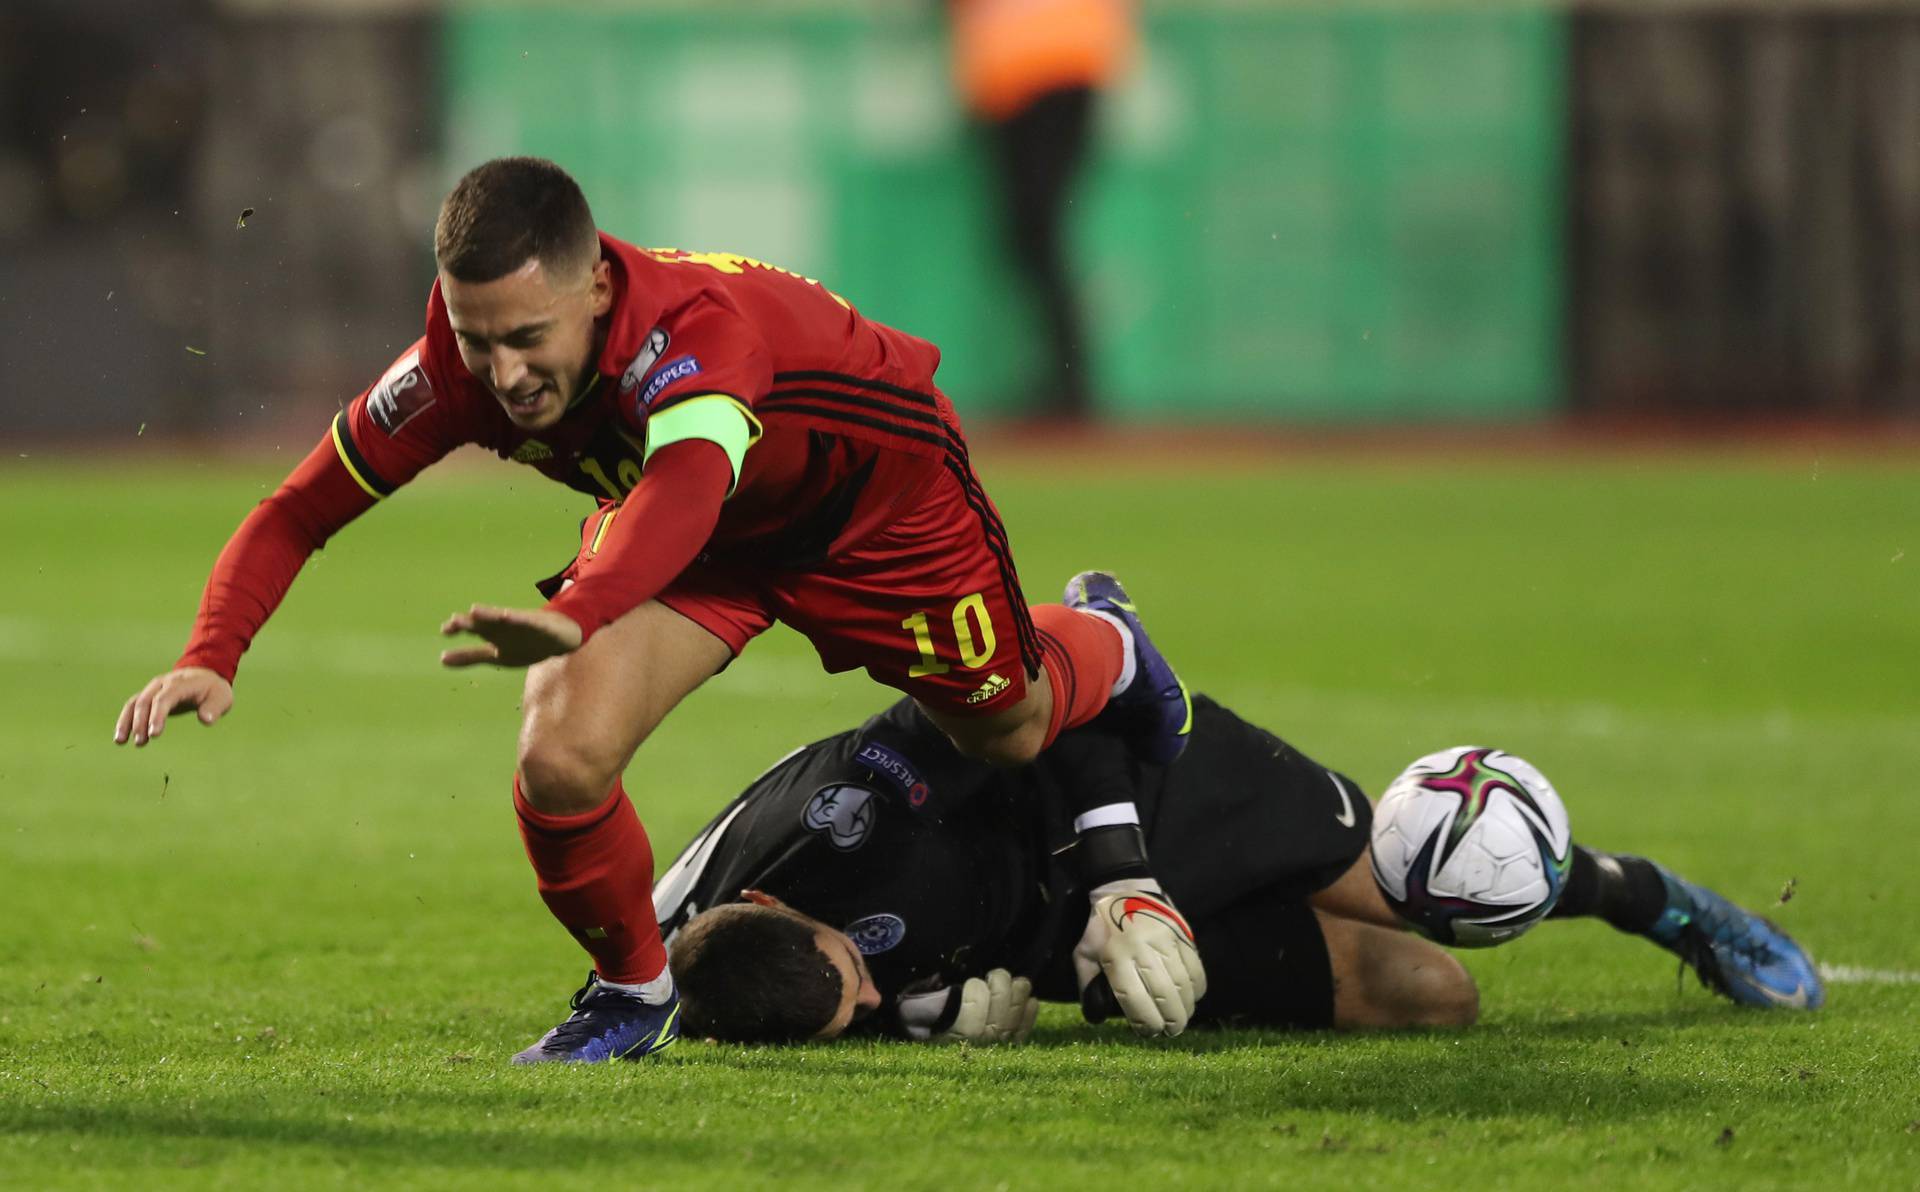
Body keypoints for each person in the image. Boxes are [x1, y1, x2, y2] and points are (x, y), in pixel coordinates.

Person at [111, 157, 1193, 1063]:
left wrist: (584, 607)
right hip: (702, 542)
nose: (503, 372)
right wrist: (215, 650)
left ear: (594, 290)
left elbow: (683, 488)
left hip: (876, 510)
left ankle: (1107, 634)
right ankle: (630, 995)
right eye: (476, 336)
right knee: (560, 753)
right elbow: (300, 508)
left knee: (1009, 729)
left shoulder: (693, 332)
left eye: (527, 336)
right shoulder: (452, 366)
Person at [657, 692, 1825, 1043]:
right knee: (1435, 997)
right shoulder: (739, 985)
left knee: (1433, 881)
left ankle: (1652, 899)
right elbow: (820, 997)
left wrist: (1124, 878)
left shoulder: (845, 810)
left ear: (771, 901)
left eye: (848, 970)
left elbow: (1056, 706)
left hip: (1142, 791)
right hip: (1051, 935)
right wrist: (911, 1014)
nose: (858, 991)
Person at [950, 0, 1138, 418]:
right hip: (1017, 79)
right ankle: (1065, 378)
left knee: (1036, 229)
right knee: (1029, 233)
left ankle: (1072, 380)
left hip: (1058, 68)